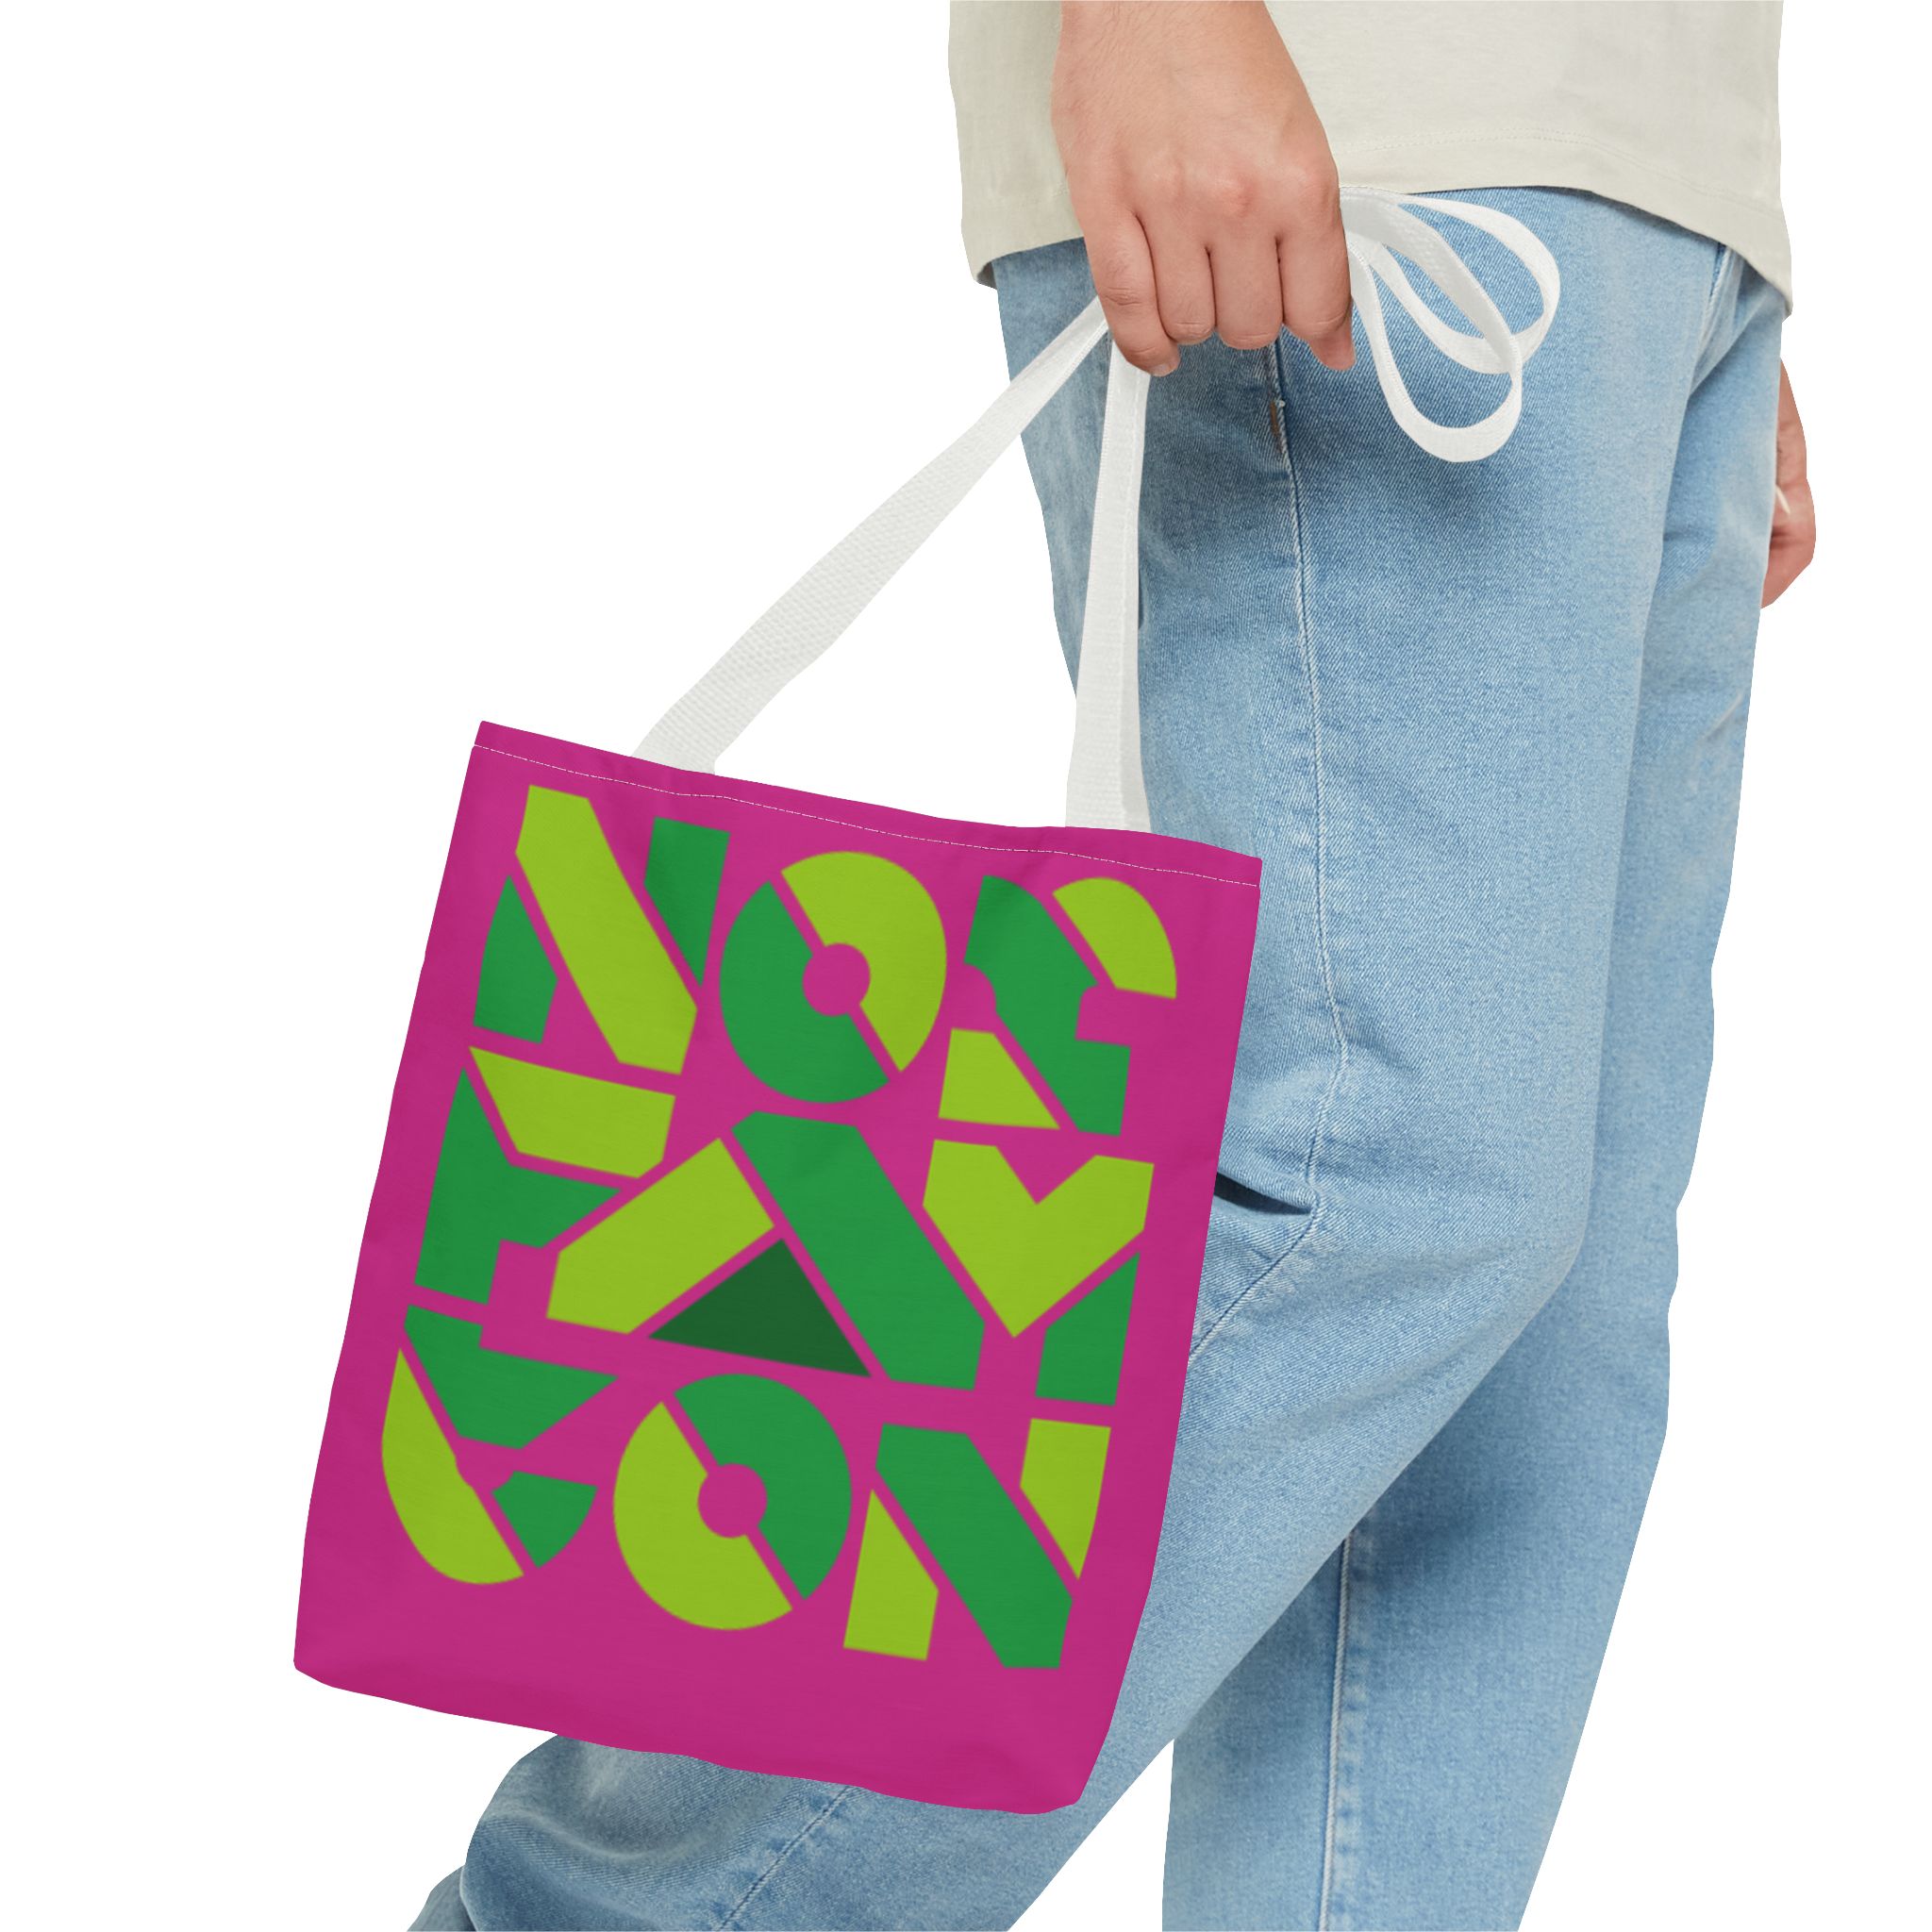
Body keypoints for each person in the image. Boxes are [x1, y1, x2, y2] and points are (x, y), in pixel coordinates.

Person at [412, 5, 1814, 1926]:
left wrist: (1696, 234)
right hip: (1369, 122)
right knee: (1373, 1187)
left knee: (1532, 1361)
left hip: (1641, 189)